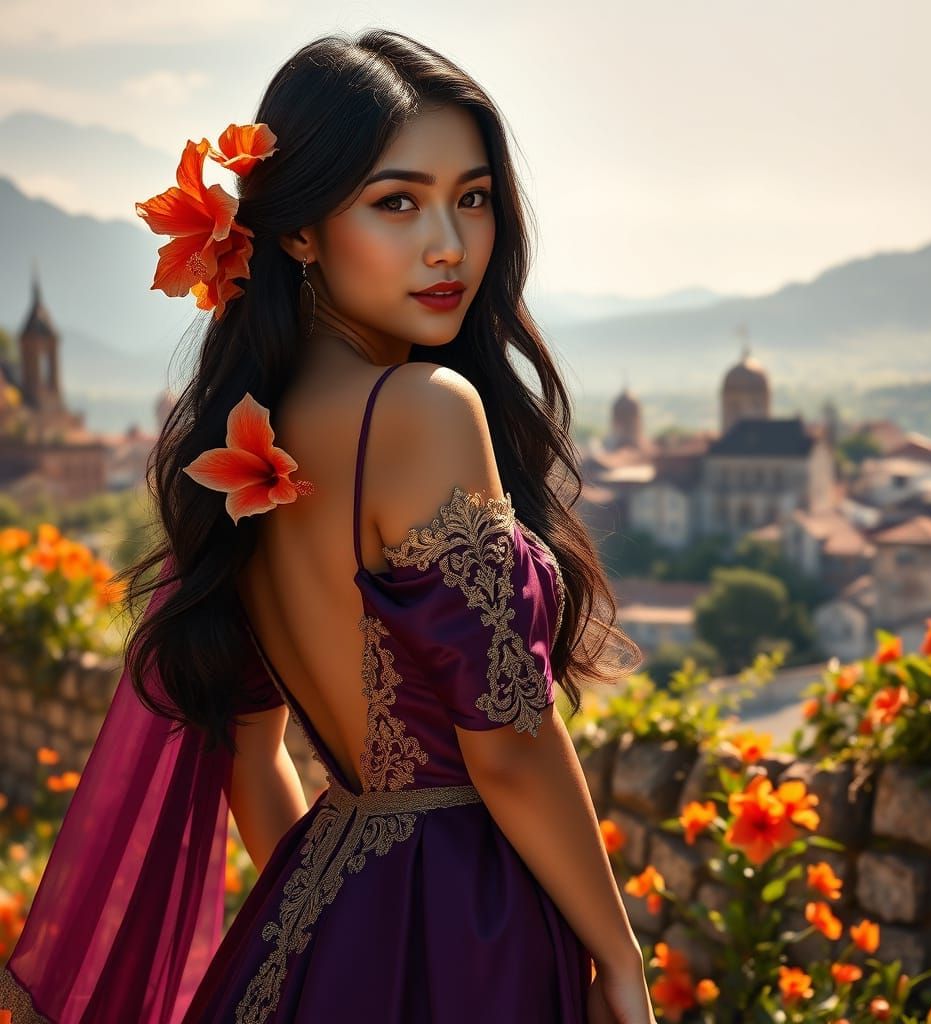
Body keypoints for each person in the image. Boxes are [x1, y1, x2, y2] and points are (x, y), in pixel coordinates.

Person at [0, 30, 654, 1024]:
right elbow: (510, 747)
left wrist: (350, 914)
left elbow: (252, 756)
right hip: (479, 927)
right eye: (397, 202)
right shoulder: (425, 410)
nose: (448, 243)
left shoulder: (245, 445)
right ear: (299, 230)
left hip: (311, 922)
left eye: (471, 197)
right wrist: (618, 956)